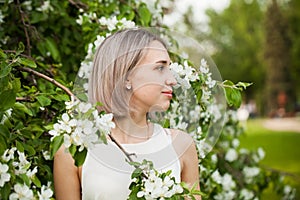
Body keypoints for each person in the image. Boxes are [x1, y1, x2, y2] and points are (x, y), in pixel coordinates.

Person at [53, 28, 201, 200]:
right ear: (126, 76)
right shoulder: (72, 150)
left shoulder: (180, 146)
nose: (172, 80)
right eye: (160, 68)